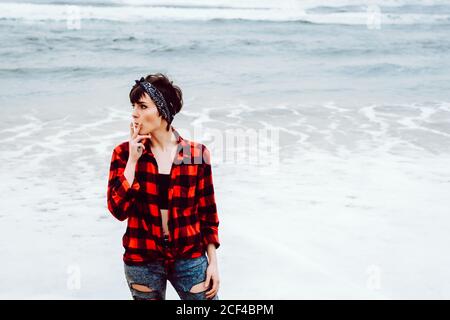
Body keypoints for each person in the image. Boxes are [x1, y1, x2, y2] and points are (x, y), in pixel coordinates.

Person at [107, 73, 220, 300]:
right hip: (143, 259)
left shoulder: (196, 155)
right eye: (133, 106)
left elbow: (208, 215)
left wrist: (213, 263)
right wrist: (132, 161)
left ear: (163, 110)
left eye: (142, 106)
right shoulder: (123, 153)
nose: (134, 113)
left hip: (189, 257)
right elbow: (118, 210)